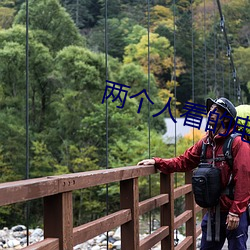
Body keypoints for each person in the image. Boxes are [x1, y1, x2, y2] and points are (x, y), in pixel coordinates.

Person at [137, 97, 250, 250]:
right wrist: (158, 162)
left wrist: (236, 212)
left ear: (226, 118)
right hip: (213, 211)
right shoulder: (205, 143)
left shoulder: (238, 143)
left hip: (233, 211)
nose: (210, 113)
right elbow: (184, 161)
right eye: (210, 110)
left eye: (216, 110)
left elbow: (244, 178)